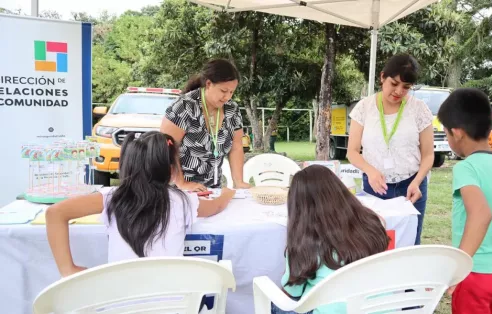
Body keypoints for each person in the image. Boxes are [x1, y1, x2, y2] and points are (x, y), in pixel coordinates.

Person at [45, 131, 235, 277]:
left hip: (119, 305)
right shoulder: (183, 200)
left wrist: (67, 269)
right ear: (170, 170)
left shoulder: (111, 197)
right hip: (174, 304)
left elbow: (55, 213)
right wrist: (227, 192)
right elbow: (216, 207)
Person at [437, 88, 492, 314]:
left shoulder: (466, 168)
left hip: (478, 276)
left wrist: (459, 269)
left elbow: (481, 214)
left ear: (457, 133)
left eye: (446, 133)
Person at [272, 165, 390, 314]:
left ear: (298, 208)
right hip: (381, 307)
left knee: (279, 302)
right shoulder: (372, 223)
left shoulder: (305, 243)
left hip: (334, 309)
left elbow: (292, 293)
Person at [347, 53, 434, 245]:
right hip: (375, 186)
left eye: (406, 87)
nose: (399, 91)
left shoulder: (419, 109)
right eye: (394, 84)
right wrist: (371, 171)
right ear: (382, 77)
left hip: (412, 187)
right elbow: (352, 152)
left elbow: (428, 155)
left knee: (410, 243)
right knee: (373, 244)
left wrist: (418, 181)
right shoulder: (364, 108)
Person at [161, 59, 251, 191]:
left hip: (213, 189)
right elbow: (166, 148)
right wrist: (182, 183)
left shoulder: (232, 109)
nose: (227, 97)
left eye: (232, 92)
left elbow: (236, 147)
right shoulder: (184, 107)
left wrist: (239, 181)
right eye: (223, 91)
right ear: (208, 84)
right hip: (178, 190)